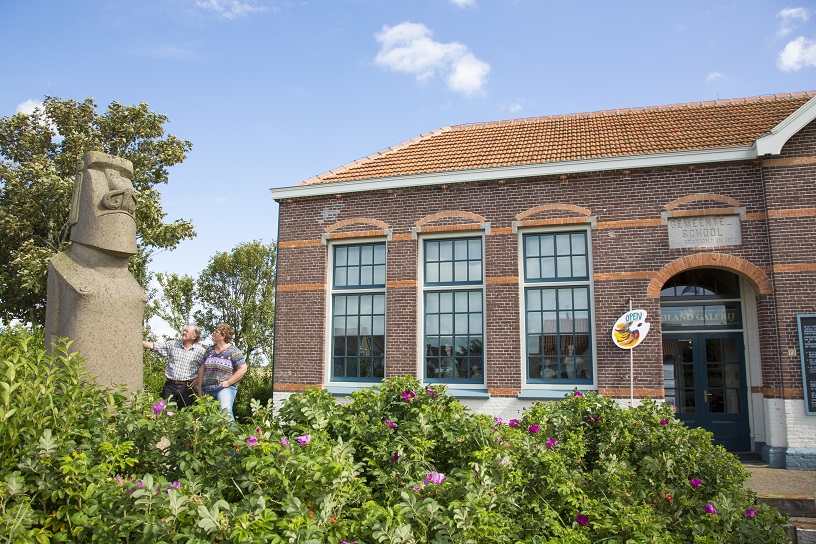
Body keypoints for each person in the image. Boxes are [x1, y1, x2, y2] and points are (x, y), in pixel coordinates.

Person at [143, 324, 206, 409]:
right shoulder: (173, 345)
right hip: (170, 386)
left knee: (185, 414)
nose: (183, 332)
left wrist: (198, 379)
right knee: (165, 411)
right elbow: (154, 346)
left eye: (186, 331)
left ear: (194, 336)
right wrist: (136, 340)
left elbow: (207, 368)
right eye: (184, 330)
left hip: (187, 387)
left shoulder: (200, 351)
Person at [197, 323, 247, 421]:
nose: (213, 333)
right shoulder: (209, 350)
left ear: (223, 336)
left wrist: (228, 382)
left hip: (224, 389)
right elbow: (202, 370)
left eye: (216, 332)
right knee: (207, 416)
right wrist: (199, 389)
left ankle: (232, 435)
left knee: (225, 412)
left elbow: (243, 368)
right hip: (207, 389)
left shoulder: (234, 351)